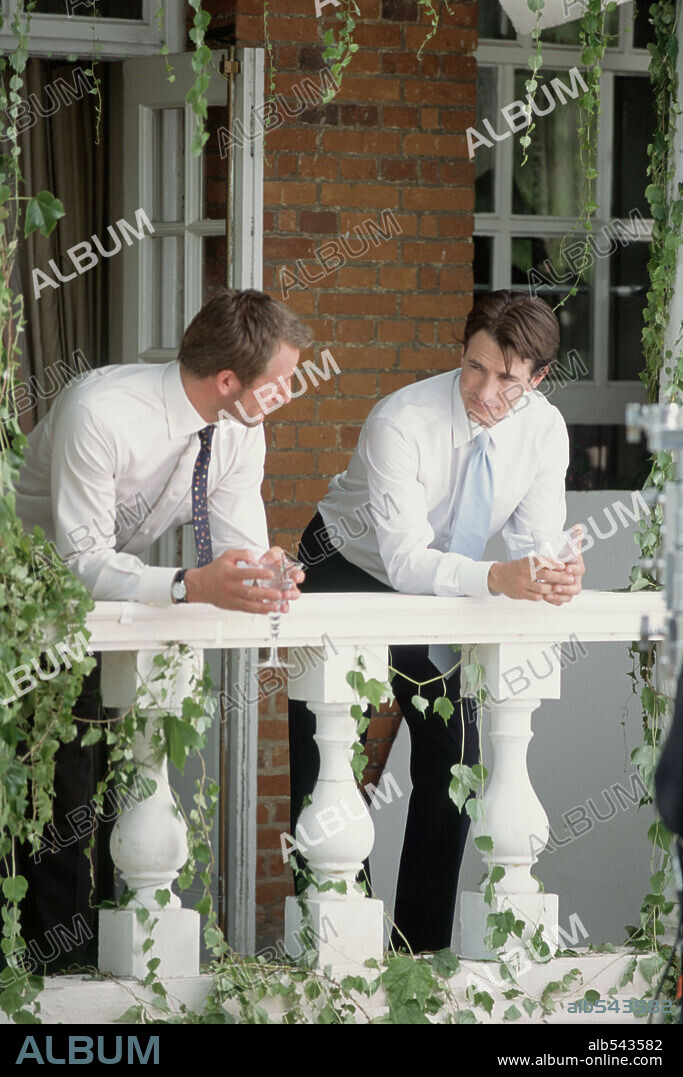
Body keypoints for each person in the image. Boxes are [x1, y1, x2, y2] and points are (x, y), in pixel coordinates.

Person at [10, 287, 311, 971]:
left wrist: (268, 572)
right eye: (283, 379)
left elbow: (236, 539)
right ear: (229, 379)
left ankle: (126, 954)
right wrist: (186, 585)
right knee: (63, 786)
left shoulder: (240, 426)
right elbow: (78, 560)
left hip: (130, 606)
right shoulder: (101, 410)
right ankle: (58, 969)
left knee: (129, 782)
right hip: (32, 603)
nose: (291, 392)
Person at [288, 289, 586, 954]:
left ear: (536, 378)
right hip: (346, 562)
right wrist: (493, 577)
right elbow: (400, 559)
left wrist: (553, 568)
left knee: (457, 756)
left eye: (506, 378)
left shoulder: (542, 429)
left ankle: (415, 951)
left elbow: (533, 541)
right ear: (462, 350)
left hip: (445, 582)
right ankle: (335, 943)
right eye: (473, 366)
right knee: (329, 756)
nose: (482, 390)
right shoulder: (401, 419)